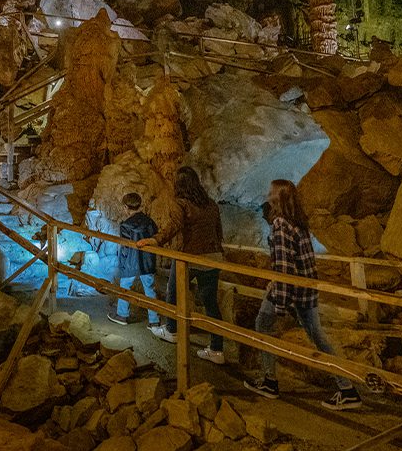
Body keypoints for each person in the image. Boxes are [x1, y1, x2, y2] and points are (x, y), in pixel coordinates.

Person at [244, 179, 363, 410]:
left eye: (271, 193)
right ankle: (347, 389)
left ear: (278, 198)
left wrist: (280, 301)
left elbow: (284, 265)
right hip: (306, 289)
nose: (267, 196)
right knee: (318, 336)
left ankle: (270, 382)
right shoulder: (299, 222)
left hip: (290, 289)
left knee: (262, 324)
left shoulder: (280, 224)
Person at [138, 167, 226, 364]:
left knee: (173, 292)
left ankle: (172, 329)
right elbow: (218, 231)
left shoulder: (181, 203)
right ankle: (217, 349)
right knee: (210, 302)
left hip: (190, 257)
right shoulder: (210, 204)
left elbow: (173, 226)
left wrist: (155, 240)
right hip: (213, 257)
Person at [111, 192, 161, 330]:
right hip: (147, 261)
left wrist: (122, 262)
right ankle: (154, 321)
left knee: (125, 287)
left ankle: (122, 315)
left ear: (126, 207)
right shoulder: (149, 222)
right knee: (150, 289)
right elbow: (155, 237)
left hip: (130, 262)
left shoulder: (125, 226)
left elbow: (126, 246)